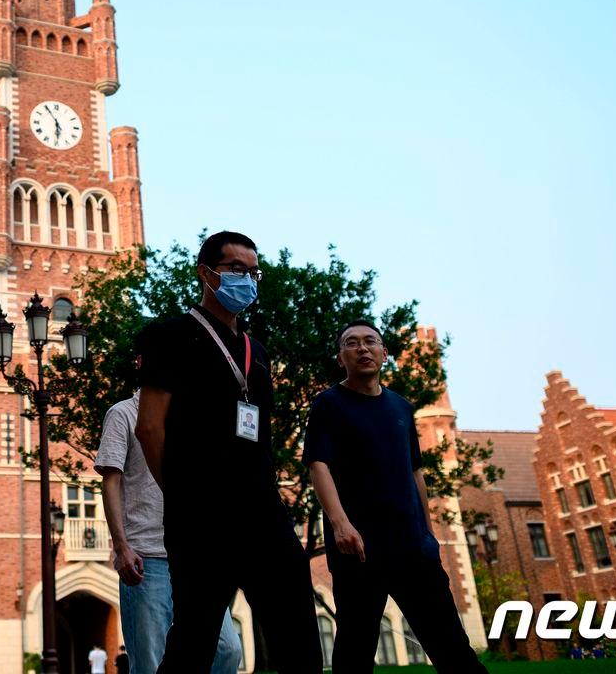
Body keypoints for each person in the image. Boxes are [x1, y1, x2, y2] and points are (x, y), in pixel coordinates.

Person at [135, 231, 320, 673]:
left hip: (262, 511)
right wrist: (183, 494)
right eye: (237, 269)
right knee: (196, 637)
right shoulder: (168, 336)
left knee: (296, 624)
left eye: (254, 272)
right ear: (207, 273)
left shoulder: (259, 351)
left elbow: (263, 433)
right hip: (200, 514)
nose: (248, 279)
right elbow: (148, 427)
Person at [305, 320, 488, 673]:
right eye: (352, 343)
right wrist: (341, 525)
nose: (362, 348)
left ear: (384, 354)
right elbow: (318, 466)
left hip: (412, 548)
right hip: (357, 549)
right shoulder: (327, 404)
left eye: (370, 341)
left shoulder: (401, 407)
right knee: (355, 651)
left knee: (452, 647)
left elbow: (415, 474)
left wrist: (428, 533)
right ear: (340, 357)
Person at [97, 392, 242, 674]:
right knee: (150, 663)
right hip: (146, 558)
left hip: (196, 558)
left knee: (227, 650)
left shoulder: (190, 417)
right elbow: (110, 482)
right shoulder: (123, 413)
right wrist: (121, 547)